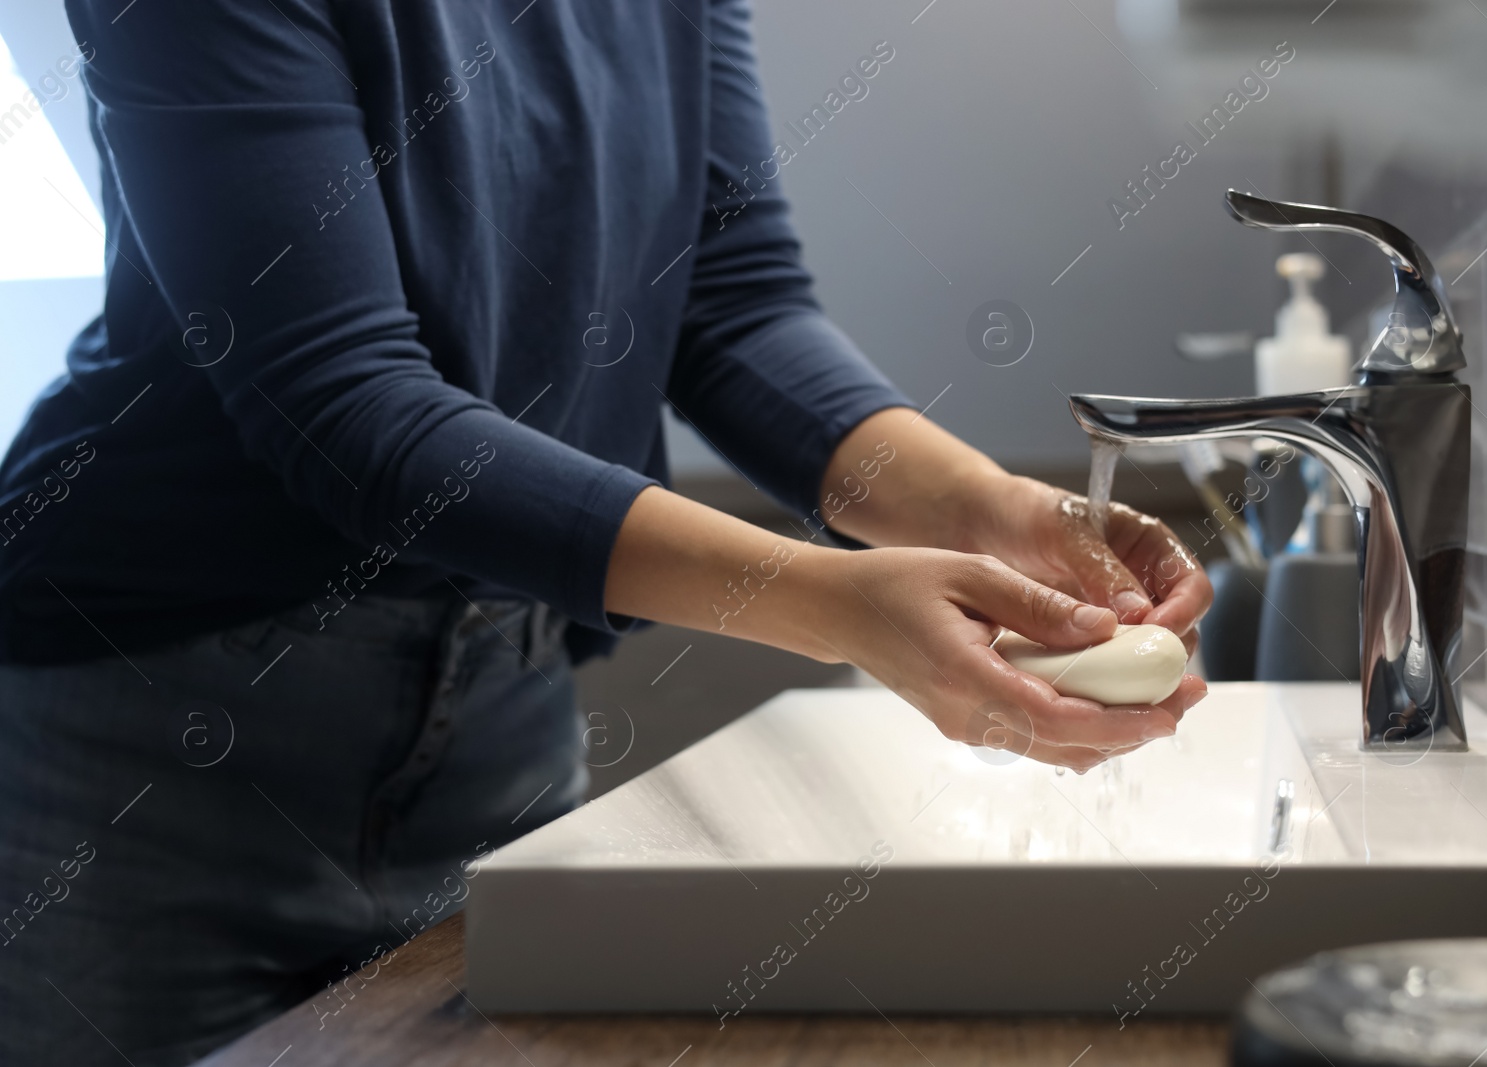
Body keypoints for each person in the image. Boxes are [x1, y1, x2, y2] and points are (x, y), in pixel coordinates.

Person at [0, 1, 1210, 1063]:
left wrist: (989, 507)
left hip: (498, 710)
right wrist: (836, 604)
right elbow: (343, 404)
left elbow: (731, 305)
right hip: (146, 747)